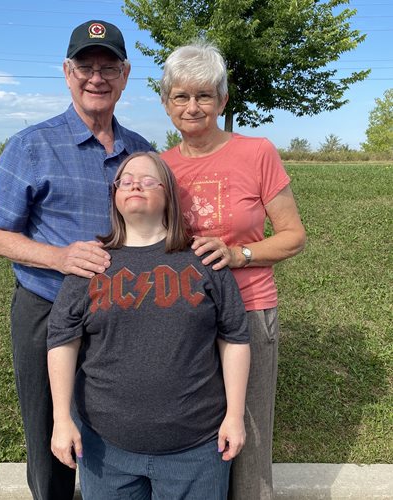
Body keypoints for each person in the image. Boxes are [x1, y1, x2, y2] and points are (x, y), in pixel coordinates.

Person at [0, 20, 153, 500]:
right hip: (47, 308)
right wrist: (59, 257)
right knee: (49, 434)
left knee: (109, 426)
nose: (96, 77)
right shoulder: (31, 145)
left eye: (108, 67)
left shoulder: (140, 151)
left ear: (125, 75)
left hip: (120, 314)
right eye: (85, 66)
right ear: (66, 71)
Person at [47, 151, 251, 500]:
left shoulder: (203, 260)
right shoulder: (91, 264)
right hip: (106, 451)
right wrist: (61, 420)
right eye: (125, 181)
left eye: (147, 180)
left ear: (168, 194)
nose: (134, 185)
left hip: (197, 449)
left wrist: (235, 415)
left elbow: (234, 337)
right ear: (114, 196)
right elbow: (63, 341)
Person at [160, 42, 306, 500]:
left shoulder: (257, 152)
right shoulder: (161, 166)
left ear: (223, 101)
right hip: (187, 315)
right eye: (180, 96)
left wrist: (240, 255)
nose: (192, 106)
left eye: (204, 95)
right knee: (196, 428)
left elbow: (293, 235)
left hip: (249, 308)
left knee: (250, 429)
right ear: (166, 104)